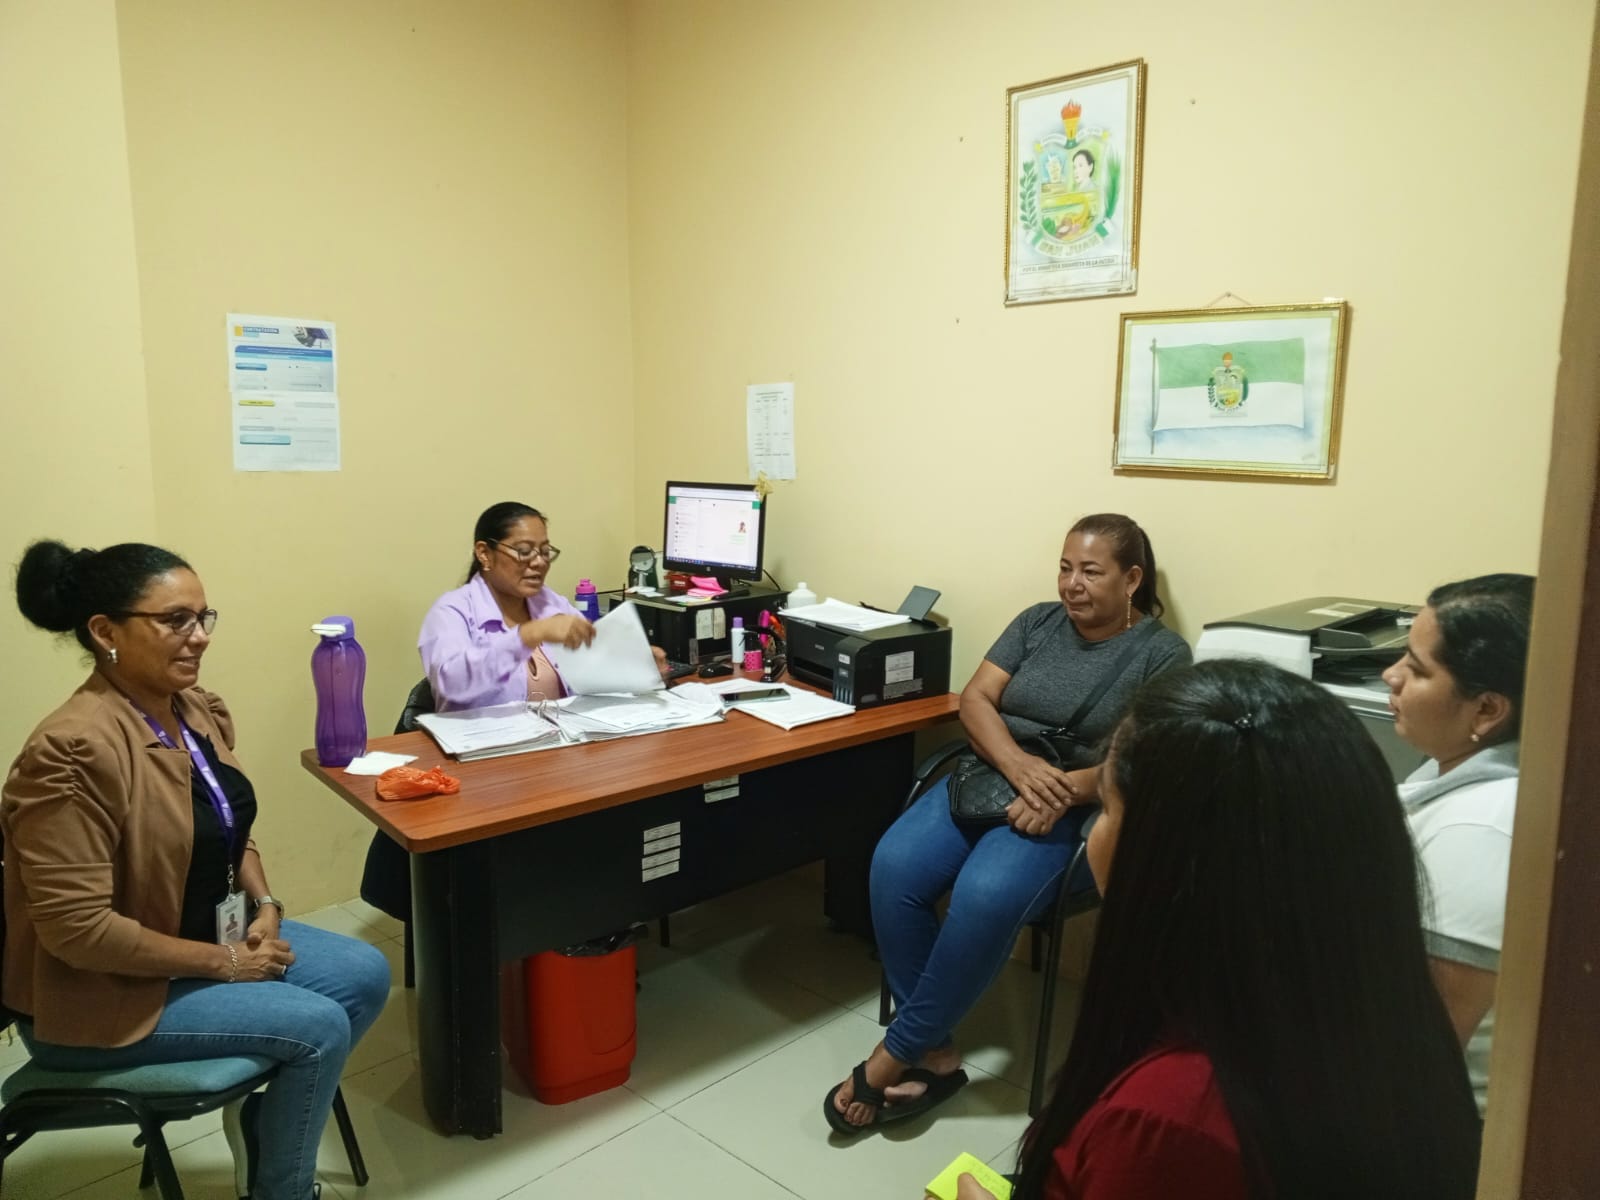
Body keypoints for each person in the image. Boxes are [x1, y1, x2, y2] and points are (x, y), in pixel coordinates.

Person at [957, 660, 1482, 1200]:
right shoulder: (1378, 1020)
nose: (1094, 835)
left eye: (1108, 809)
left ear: (1173, 860)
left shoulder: (1169, 1121)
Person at [3, 540, 391, 1200]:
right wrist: (226, 963)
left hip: (196, 939)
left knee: (364, 972)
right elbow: (78, 933)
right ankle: (283, 1189)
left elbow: (228, 829)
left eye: (203, 617)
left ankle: (266, 1125)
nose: (200, 636)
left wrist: (266, 907)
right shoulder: (70, 750)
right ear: (106, 632)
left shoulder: (190, 709)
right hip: (99, 996)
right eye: (174, 620)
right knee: (319, 1025)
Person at [826, 514, 1189, 1134]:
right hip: (992, 776)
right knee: (892, 866)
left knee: (985, 893)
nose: (1072, 584)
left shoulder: (1163, 654)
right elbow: (975, 699)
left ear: (1132, 579)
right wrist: (1019, 766)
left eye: (1091, 571)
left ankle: (894, 1054)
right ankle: (935, 1052)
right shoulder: (1036, 622)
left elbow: (1147, 760)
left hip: (1072, 803)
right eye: (1065, 568)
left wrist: (1064, 790)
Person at [1382, 573, 1534, 1116]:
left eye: (1417, 668)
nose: (1391, 675)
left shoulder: (1481, 830)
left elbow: (1421, 1047)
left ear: (1487, 710)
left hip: (1440, 1129)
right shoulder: (1449, 772)